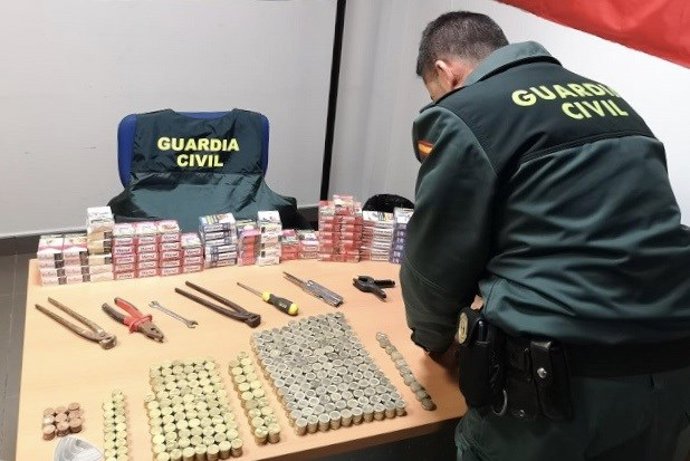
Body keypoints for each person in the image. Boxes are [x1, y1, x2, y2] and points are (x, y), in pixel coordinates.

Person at [400, 11, 690, 461]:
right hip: (670, 374)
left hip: (558, 396)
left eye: (434, 92)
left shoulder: (466, 112)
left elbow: (434, 264)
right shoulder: (610, 100)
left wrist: (435, 339)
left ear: (445, 72)